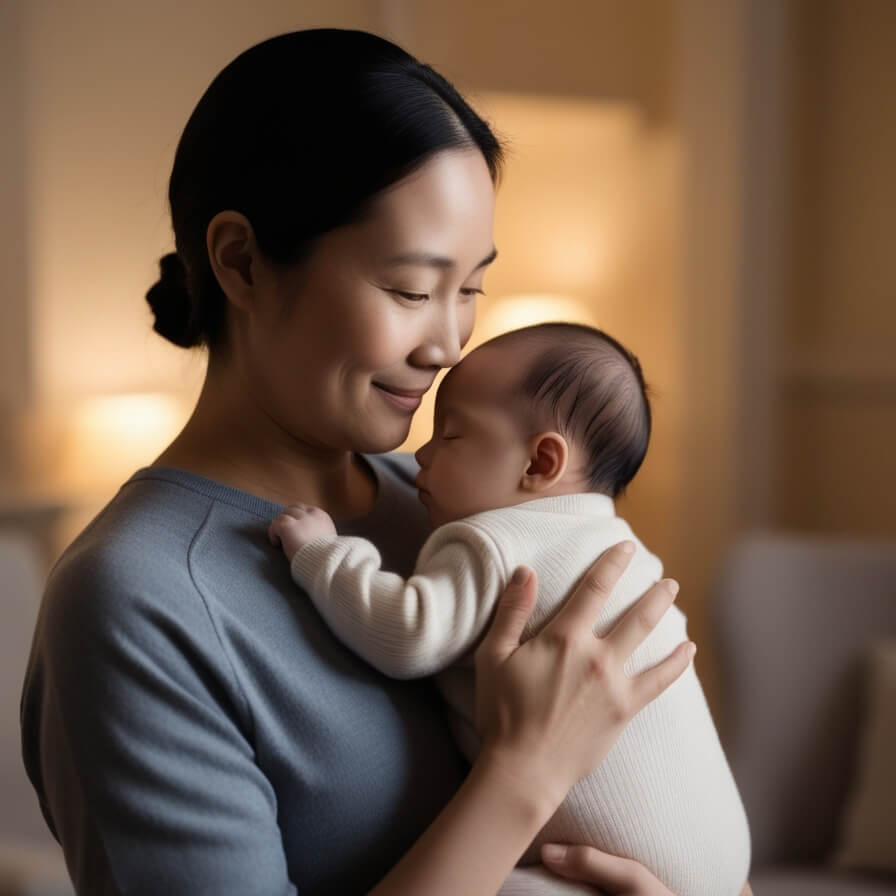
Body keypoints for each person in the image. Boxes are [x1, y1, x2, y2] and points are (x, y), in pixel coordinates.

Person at [19, 29, 719, 896]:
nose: (448, 345)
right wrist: (524, 773)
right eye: (411, 289)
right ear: (240, 261)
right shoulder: (136, 599)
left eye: (471, 289)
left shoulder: (462, 506)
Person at [270, 322, 752, 896]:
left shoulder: (490, 540)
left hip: (590, 869)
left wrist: (323, 554)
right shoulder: (621, 546)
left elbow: (407, 633)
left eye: (450, 435)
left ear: (540, 463)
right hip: (722, 862)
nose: (422, 453)